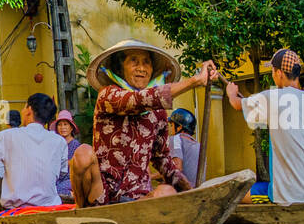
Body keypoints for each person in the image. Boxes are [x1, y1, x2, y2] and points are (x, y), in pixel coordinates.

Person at [70, 39, 215, 208]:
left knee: (166, 192)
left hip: (138, 198)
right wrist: (194, 81)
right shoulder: (108, 94)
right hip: (102, 195)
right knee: (83, 153)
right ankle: (82, 212)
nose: (141, 68)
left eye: (146, 62)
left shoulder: (158, 112)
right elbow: (138, 101)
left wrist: (192, 192)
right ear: (121, 67)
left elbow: (163, 160)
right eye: (134, 61)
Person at [226, 48, 304, 205]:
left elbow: (236, 104)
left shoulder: (272, 97)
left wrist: (231, 92)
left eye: (273, 71)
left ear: (279, 73)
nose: (273, 75)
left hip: (284, 196)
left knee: (231, 196)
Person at [167, 108, 200, 186]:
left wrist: (151, 176)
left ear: (179, 127)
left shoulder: (176, 139)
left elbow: (177, 169)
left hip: (184, 190)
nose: (171, 129)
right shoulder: (198, 144)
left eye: (172, 125)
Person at [52, 109, 79, 201]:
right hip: (57, 178)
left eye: (65, 124)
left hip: (71, 179)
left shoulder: (75, 144)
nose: (62, 127)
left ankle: (75, 196)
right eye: (59, 125)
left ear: (71, 128)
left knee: (56, 190)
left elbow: (76, 164)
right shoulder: (56, 144)